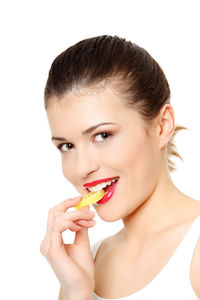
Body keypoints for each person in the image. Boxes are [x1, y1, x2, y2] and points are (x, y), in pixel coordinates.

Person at [40, 35, 200, 300]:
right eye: (67, 146)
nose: (82, 168)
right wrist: (76, 293)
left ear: (162, 126)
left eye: (103, 135)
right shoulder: (85, 263)